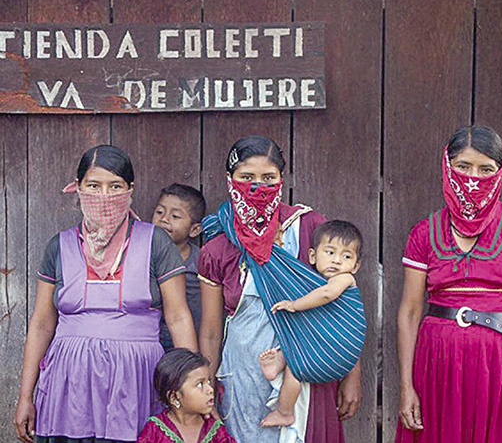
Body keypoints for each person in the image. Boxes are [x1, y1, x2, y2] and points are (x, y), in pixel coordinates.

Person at [13, 145, 198, 443]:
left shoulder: (155, 242)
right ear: (78, 188)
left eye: (115, 186)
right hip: (68, 386)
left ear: (130, 190)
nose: (104, 196)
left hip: (136, 383)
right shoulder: (59, 246)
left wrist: (192, 390)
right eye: (93, 186)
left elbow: (178, 317)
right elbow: (42, 324)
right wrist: (25, 396)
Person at [198, 135, 362, 443]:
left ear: (281, 180)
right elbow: (210, 330)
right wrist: (205, 386)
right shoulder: (218, 248)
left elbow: (342, 307)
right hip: (244, 371)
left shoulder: (309, 227)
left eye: (268, 178)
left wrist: (352, 373)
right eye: (247, 177)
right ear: (229, 179)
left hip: (306, 366)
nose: (257, 186)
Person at [395, 126, 502, 443]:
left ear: (500, 171)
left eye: (485, 169)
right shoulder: (424, 233)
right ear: (447, 166)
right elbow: (409, 312)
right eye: (463, 167)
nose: (473, 179)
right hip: (437, 366)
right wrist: (407, 386)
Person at [259, 219, 363, 427]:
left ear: (356, 265)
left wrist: (294, 305)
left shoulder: (344, 279)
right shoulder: (310, 281)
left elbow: (326, 294)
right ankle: (281, 363)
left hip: (339, 350)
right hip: (325, 349)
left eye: (346, 256)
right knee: (297, 354)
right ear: (313, 256)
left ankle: (285, 411)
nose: (337, 261)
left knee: (298, 365)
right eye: (330, 252)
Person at [137, 348, 236, 443]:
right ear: (174, 397)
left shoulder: (216, 431)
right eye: (200, 384)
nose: (210, 390)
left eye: (209, 381)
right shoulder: (154, 431)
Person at [152, 183, 206, 348]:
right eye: (159, 212)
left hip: (187, 341)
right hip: (152, 341)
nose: (164, 219)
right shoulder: (143, 256)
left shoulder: (200, 262)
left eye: (175, 216)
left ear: (195, 230)